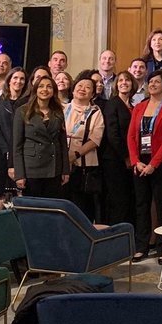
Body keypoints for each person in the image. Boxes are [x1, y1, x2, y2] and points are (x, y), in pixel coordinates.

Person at [126, 70, 162, 260]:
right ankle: (142, 245)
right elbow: (131, 136)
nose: (153, 84)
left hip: (161, 163)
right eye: (151, 82)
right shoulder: (139, 107)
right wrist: (135, 161)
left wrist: (154, 164)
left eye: (157, 82)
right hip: (140, 162)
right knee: (141, 205)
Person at [13, 76, 69, 198]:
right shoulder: (22, 111)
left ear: (54, 91)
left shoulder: (58, 111)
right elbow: (17, 146)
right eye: (41, 86)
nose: (45, 89)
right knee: (33, 208)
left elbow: (63, 143)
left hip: (54, 168)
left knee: (50, 208)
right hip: (31, 168)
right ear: (35, 90)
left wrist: (65, 170)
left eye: (49, 86)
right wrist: (19, 174)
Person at [63, 77, 104, 221]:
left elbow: (95, 139)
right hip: (61, 164)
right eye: (79, 86)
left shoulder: (95, 112)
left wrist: (74, 156)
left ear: (93, 94)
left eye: (88, 87)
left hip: (84, 166)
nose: (82, 89)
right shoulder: (62, 108)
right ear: (73, 90)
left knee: (82, 208)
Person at [99, 71, 137, 226]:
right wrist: (126, 156)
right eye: (120, 80)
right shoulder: (112, 104)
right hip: (115, 160)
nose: (124, 83)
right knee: (117, 199)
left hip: (130, 159)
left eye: (127, 80)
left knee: (129, 199)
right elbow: (112, 134)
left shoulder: (133, 106)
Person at [0, 67, 27, 194]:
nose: (18, 81)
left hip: (21, 152)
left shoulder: (28, 104)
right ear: (9, 80)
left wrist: (14, 151)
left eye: (22, 79)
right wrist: (7, 150)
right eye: (15, 78)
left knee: (18, 192)